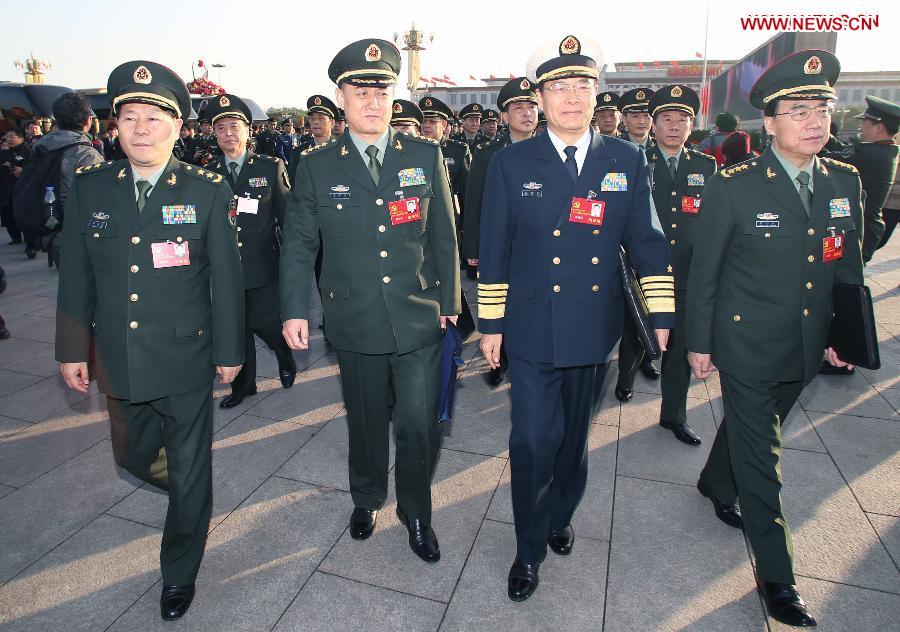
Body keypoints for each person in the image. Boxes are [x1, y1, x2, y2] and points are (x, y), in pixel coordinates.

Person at [477, 35, 673, 602]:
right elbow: (494, 248)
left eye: (582, 86)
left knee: (573, 442)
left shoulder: (625, 159)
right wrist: (492, 324)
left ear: (597, 95)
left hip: (595, 324)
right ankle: (528, 545)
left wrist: (660, 311)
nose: (570, 97)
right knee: (533, 439)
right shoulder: (512, 162)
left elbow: (648, 240)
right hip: (533, 323)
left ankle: (561, 512)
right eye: (558, 87)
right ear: (539, 98)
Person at [55, 60, 244, 621]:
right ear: (113, 126)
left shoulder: (206, 190)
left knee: (189, 470)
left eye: (154, 117)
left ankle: (179, 569)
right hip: (119, 355)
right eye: (129, 117)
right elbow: (76, 276)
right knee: (133, 456)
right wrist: (71, 347)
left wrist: (230, 352)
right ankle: (193, 498)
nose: (141, 128)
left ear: (178, 127)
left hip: (186, 354)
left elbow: (227, 281)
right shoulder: (91, 189)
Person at [686, 50, 863, 628]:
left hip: (807, 344)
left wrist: (845, 334)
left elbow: (844, 266)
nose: (814, 121)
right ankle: (778, 577)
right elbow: (704, 273)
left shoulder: (843, 180)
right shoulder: (735, 186)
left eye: (821, 109)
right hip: (747, 344)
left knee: (754, 429)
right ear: (769, 121)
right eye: (798, 109)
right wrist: (699, 341)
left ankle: (715, 479)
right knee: (765, 459)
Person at [280, 38, 461, 563]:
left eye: (382, 90)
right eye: (361, 91)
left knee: (419, 421)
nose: (373, 101)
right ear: (341, 97)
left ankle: (416, 511)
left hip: (419, 313)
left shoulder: (424, 155)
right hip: (354, 315)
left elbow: (444, 237)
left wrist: (450, 298)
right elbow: (299, 244)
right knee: (363, 419)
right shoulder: (316, 166)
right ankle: (367, 497)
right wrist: (294, 308)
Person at [206, 94, 297, 408]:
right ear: (213, 133)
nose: (228, 133)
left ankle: (284, 354)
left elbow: (288, 217)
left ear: (248, 131)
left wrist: (292, 261)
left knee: (265, 321)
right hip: (224, 267)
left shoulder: (270, 167)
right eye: (221, 128)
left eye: (234, 126)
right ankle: (244, 386)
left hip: (262, 262)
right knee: (236, 326)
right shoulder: (208, 172)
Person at [638, 85, 717, 446]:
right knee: (629, 337)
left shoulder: (705, 166)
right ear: (653, 125)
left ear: (692, 125)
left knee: (680, 347)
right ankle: (623, 382)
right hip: (641, 270)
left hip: (685, 273)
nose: (674, 126)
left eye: (682, 119)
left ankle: (674, 415)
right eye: (666, 119)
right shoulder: (636, 160)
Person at [462, 77, 538, 387]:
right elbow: (474, 201)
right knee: (497, 302)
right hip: (499, 245)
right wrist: (473, 248)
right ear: (505, 116)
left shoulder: (552, 150)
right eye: (518, 107)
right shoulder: (488, 152)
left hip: (535, 248)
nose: (526, 113)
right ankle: (497, 359)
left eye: (531, 106)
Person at [31, 92, 104, 264]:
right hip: (79, 234)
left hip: (50, 227)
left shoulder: (41, 147)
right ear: (88, 120)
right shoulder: (86, 154)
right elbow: (99, 199)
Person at [0, 128, 31, 245]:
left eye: (12, 136)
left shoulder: (28, 151)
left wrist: (23, 170)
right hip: (7, 188)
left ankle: (31, 241)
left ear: (21, 138)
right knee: (7, 214)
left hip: (23, 188)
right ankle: (15, 237)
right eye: (7, 136)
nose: (9, 139)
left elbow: (35, 167)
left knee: (24, 215)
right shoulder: (4, 153)